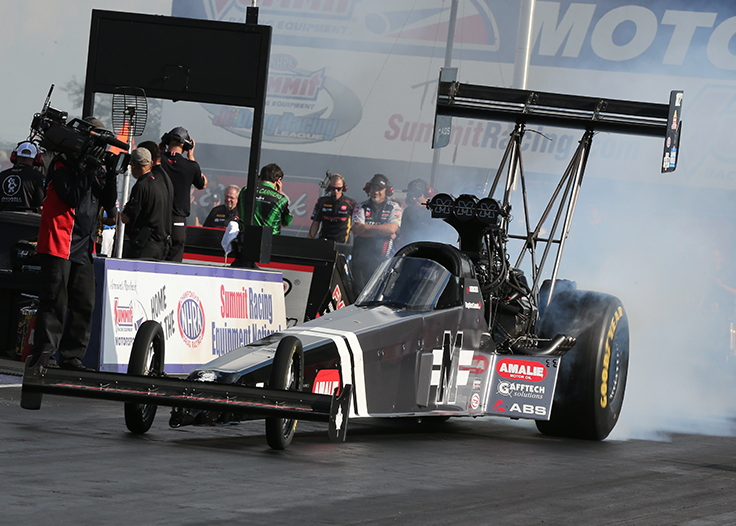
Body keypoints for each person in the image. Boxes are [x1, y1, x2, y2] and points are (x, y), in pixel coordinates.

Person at [27, 117, 118, 371]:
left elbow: (109, 203)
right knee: (55, 300)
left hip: (83, 244)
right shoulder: (62, 163)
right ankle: (45, 354)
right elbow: (73, 197)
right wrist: (89, 169)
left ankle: (72, 356)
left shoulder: (95, 169)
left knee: (85, 302)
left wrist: (110, 174)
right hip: (59, 240)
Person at [159, 126, 207, 261]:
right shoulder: (192, 166)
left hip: (157, 217)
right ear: (187, 146)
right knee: (174, 259)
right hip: (177, 219)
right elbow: (202, 184)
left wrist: (159, 151)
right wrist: (191, 157)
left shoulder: (157, 161)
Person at [351, 173, 402, 291]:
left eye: (379, 189)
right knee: (358, 292)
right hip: (361, 260)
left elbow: (392, 229)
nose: (375, 191)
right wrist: (383, 231)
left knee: (380, 293)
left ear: (387, 191)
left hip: (384, 261)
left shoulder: (393, 207)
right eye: (373, 188)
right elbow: (357, 230)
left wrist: (366, 228)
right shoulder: (360, 206)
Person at [120, 148, 170, 260]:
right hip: (161, 244)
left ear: (133, 165)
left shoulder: (141, 186)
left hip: (144, 245)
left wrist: (124, 211)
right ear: (151, 163)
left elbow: (126, 218)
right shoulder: (160, 183)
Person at [237, 163, 293, 235]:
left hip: (245, 236)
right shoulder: (281, 199)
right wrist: (279, 193)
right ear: (279, 180)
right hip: (270, 239)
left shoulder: (245, 191)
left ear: (261, 177)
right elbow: (286, 222)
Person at [307, 174, 357, 243]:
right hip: (324, 241)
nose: (335, 191)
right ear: (329, 188)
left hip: (342, 244)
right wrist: (308, 240)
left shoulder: (351, 203)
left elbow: (356, 225)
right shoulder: (322, 201)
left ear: (343, 188)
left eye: (338, 189)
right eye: (333, 188)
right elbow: (316, 222)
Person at [0, 141, 45, 212]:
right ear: (37, 159)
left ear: (14, 156)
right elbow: (41, 207)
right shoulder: (38, 177)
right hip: (26, 218)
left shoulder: (2, 175)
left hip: (3, 217)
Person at [397, 178, 433, 248]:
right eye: (410, 195)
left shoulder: (435, 213)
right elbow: (402, 237)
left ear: (426, 194)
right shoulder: (407, 212)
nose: (413, 198)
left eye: (417, 194)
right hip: (411, 250)